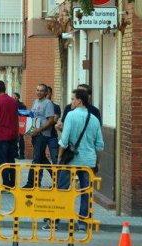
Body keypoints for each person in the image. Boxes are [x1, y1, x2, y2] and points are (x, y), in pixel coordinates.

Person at [43, 88, 104, 231]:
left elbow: (64, 141)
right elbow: (99, 145)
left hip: (70, 160)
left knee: (61, 189)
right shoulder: (93, 119)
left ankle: (55, 221)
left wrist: (59, 158)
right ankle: (83, 223)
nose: (71, 102)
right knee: (86, 192)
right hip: (88, 161)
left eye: (72, 99)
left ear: (79, 101)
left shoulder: (71, 116)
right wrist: (97, 162)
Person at [23, 84, 55, 188]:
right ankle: (57, 178)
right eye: (37, 90)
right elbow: (33, 117)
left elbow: (50, 120)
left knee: (36, 158)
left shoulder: (48, 103)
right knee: (42, 159)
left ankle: (30, 183)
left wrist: (39, 130)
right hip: (35, 134)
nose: (39, 92)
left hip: (43, 134)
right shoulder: (35, 102)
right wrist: (29, 130)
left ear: (46, 93)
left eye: (41, 91)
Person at [0, 81, 19, 188]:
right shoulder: (13, 101)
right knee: (11, 160)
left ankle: (6, 184)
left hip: (1, 135)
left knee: (3, 161)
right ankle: (13, 183)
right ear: (5, 88)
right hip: (13, 135)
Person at [46, 86, 61, 164]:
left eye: (48, 93)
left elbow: (54, 120)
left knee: (55, 158)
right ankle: (40, 176)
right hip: (41, 136)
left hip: (52, 136)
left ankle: (56, 175)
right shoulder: (38, 105)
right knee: (39, 159)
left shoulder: (56, 107)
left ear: (51, 94)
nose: (46, 95)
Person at [13, 92, 26, 159]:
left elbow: (25, 114)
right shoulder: (11, 104)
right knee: (14, 139)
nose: (14, 97)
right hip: (13, 124)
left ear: (18, 97)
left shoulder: (21, 105)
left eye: (16, 96)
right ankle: (15, 153)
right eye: (13, 96)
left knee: (21, 139)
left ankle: (22, 154)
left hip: (20, 123)